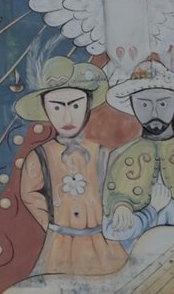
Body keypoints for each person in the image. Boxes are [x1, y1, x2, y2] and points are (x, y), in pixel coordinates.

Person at [14, 57, 124, 275]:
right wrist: (52, 222)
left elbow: (116, 191)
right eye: (57, 107)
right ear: (45, 110)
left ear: (87, 106)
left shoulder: (102, 154)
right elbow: (29, 193)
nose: (67, 116)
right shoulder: (40, 156)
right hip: (60, 245)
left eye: (75, 105)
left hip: (102, 243)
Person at [102, 60, 174, 243]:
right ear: (133, 105)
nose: (154, 113)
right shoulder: (120, 156)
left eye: (163, 104)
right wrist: (140, 210)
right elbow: (113, 232)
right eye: (144, 105)